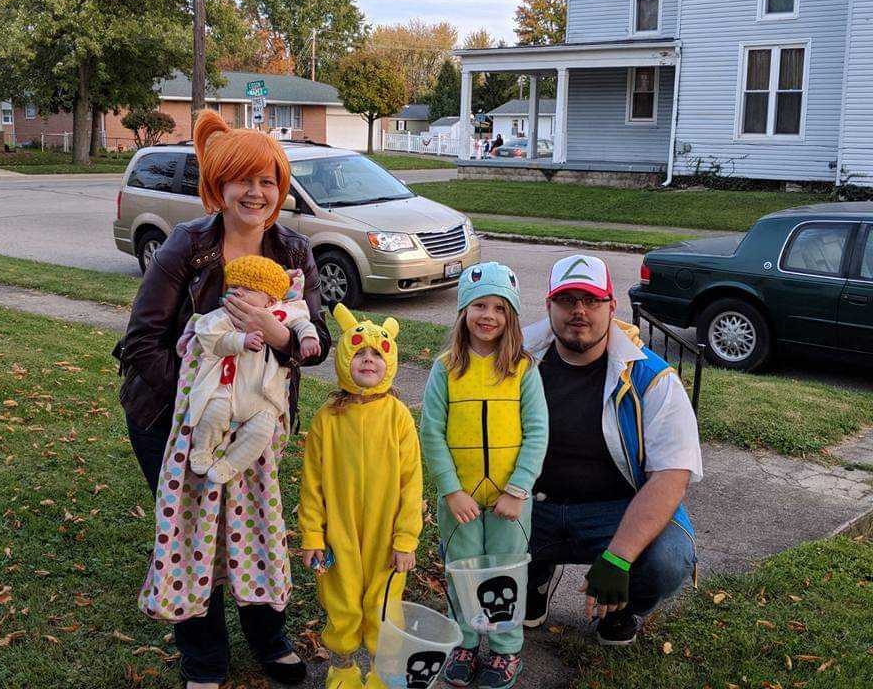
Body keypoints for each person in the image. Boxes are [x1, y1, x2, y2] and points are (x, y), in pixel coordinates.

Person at [118, 109, 331, 689]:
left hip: (256, 424)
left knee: (258, 524)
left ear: (280, 186)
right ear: (219, 184)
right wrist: (198, 401)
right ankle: (204, 659)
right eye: (243, 179)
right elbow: (140, 343)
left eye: (268, 180)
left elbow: (317, 342)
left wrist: (281, 333)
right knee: (196, 531)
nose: (256, 192)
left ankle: (271, 643)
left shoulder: (293, 251)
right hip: (170, 417)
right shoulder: (187, 246)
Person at [521, 254, 701, 646]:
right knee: (470, 531)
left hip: (616, 509)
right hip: (532, 503)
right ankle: (533, 580)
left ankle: (622, 609)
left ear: (611, 306)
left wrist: (619, 556)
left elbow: (672, 476)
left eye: (591, 300)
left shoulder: (652, 378)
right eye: (566, 300)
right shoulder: (519, 362)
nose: (579, 311)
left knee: (668, 561)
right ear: (548, 305)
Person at [420, 262, 549, 689]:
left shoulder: (523, 370)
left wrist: (518, 489)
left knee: (507, 573)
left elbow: (537, 432)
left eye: (498, 307)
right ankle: (467, 641)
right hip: (460, 502)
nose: (488, 315)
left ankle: (505, 650)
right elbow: (431, 432)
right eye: (479, 305)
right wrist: (451, 491)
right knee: (464, 570)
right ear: (463, 311)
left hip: (511, 502)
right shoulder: (445, 368)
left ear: (511, 316)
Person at [299, 303, 423, 689]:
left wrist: (406, 539)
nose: (368, 360)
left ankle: (382, 671)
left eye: (377, 354)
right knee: (341, 601)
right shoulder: (327, 419)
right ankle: (343, 666)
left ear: (391, 362)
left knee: (384, 606)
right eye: (360, 353)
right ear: (344, 359)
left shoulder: (398, 416)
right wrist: (313, 536)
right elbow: (312, 483)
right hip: (340, 533)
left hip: (387, 537)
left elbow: (411, 482)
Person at [187, 255, 320, 484]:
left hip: (263, 396)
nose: (237, 292)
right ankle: (202, 449)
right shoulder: (226, 314)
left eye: (247, 288)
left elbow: (303, 322)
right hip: (228, 388)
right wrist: (240, 341)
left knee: (261, 432)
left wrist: (307, 338)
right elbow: (211, 339)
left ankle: (231, 464)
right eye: (234, 286)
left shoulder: (284, 312)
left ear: (269, 300)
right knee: (213, 412)